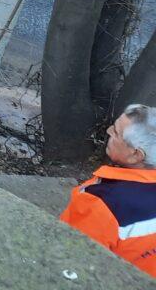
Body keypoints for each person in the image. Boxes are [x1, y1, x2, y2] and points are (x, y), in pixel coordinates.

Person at [60, 103, 156, 277]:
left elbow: (70, 261)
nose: (109, 131)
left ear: (136, 155)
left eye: (117, 133)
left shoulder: (103, 202)